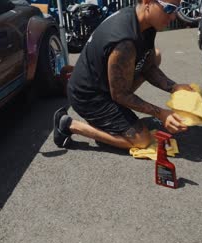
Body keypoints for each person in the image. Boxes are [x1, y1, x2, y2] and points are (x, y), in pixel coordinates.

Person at [53, 0, 194, 150]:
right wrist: (161, 114)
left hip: (104, 84)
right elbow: (120, 94)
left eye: (177, 9)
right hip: (88, 97)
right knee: (142, 141)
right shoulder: (124, 42)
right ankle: (69, 125)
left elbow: (149, 66)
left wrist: (174, 87)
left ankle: (115, 116)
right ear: (147, 3)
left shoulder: (143, 22)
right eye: (169, 9)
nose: (173, 16)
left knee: (155, 56)